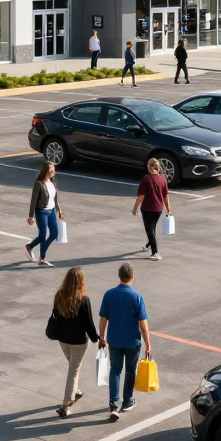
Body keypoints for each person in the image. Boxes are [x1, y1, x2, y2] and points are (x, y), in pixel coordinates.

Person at [98, 263, 151, 422]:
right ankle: (127, 401)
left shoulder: (109, 294)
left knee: (115, 370)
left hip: (114, 340)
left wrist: (102, 337)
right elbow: (143, 323)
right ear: (132, 277)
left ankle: (114, 403)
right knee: (130, 370)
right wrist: (148, 343)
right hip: (132, 342)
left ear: (119, 276)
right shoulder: (137, 297)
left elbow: (103, 319)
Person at [49, 267, 99, 417]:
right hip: (78, 341)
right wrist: (96, 339)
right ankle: (66, 406)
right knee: (73, 371)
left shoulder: (59, 296)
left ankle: (75, 390)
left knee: (73, 367)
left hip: (63, 340)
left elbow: (56, 315)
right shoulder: (83, 300)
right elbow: (88, 323)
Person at [132, 159, 171, 260]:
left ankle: (155, 252)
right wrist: (168, 209)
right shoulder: (163, 179)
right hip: (158, 209)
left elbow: (140, 196)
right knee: (152, 228)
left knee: (149, 228)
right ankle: (149, 244)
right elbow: (165, 196)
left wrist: (134, 208)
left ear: (149, 167)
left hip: (147, 208)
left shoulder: (146, 179)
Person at [26, 161, 62, 267]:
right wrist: (31, 216)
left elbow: (55, 199)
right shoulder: (39, 184)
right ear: (45, 171)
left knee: (54, 233)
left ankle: (40, 256)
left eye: (53, 170)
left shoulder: (52, 184)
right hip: (41, 211)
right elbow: (33, 200)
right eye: (50, 170)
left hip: (51, 211)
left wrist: (59, 210)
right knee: (42, 236)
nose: (52, 172)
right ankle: (33, 250)